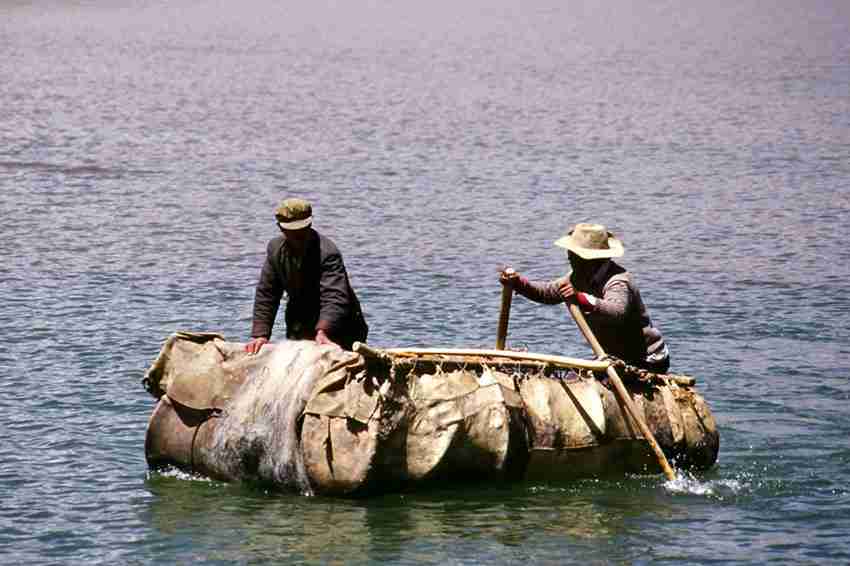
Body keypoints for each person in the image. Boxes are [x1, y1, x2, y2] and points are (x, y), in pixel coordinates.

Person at [500, 223, 669, 373]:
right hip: (612, 356)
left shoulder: (618, 280)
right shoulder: (578, 277)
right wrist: (519, 283)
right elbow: (548, 293)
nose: (569, 257)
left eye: (574, 254)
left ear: (591, 259)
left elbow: (616, 311)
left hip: (646, 358)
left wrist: (579, 298)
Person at [245, 197, 368, 353]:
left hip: (340, 328)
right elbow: (267, 293)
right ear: (281, 229)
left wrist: (323, 331)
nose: (298, 236)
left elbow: (335, 296)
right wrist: (261, 334)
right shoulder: (275, 250)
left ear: (310, 224)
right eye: (292, 232)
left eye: (302, 230)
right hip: (299, 324)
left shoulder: (328, 253)